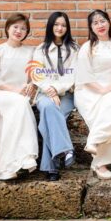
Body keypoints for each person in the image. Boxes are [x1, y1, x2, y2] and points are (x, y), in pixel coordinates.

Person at [75, 10, 111, 180]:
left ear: (109, 22)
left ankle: (94, 141)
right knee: (106, 110)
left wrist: (109, 89)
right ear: (91, 27)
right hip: (89, 90)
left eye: (103, 21)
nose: (100, 25)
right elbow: (83, 76)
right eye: (95, 23)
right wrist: (101, 90)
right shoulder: (87, 47)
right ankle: (100, 163)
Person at [0, 13, 38, 180]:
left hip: (21, 96)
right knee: (21, 103)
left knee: (19, 107)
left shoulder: (31, 51)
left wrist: (32, 84)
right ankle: (27, 154)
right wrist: (14, 89)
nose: (19, 31)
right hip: (0, 94)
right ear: (8, 28)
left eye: (23, 28)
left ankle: (6, 170)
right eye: (15, 27)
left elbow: (36, 75)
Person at [33, 11, 78, 181]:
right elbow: (37, 74)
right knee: (48, 107)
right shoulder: (41, 49)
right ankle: (66, 150)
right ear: (51, 26)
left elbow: (74, 75)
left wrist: (56, 89)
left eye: (63, 25)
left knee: (49, 119)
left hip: (66, 94)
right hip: (44, 94)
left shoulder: (74, 49)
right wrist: (49, 89)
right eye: (56, 24)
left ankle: (51, 168)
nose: (60, 28)